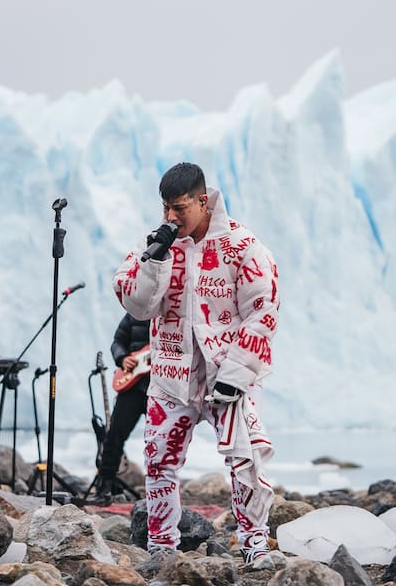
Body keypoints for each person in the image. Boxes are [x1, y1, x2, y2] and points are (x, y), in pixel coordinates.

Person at [113, 162, 279, 564]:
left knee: (245, 459)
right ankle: (162, 547)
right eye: (165, 208)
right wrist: (154, 261)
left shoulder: (242, 246)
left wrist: (237, 375)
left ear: (203, 201)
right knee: (159, 462)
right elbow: (136, 305)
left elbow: (264, 310)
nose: (171, 217)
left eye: (179, 208)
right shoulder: (155, 246)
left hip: (227, 376)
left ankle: (255, 543)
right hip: (171, 376)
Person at [86, 311, 150, 502]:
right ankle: (105, 485)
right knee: (114, 436)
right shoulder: (134, 313)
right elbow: (117, 342)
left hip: (158, 386)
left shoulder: (171, 311)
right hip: (131, 386)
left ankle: (159, 487)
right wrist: (122, 358)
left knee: (159, 440)